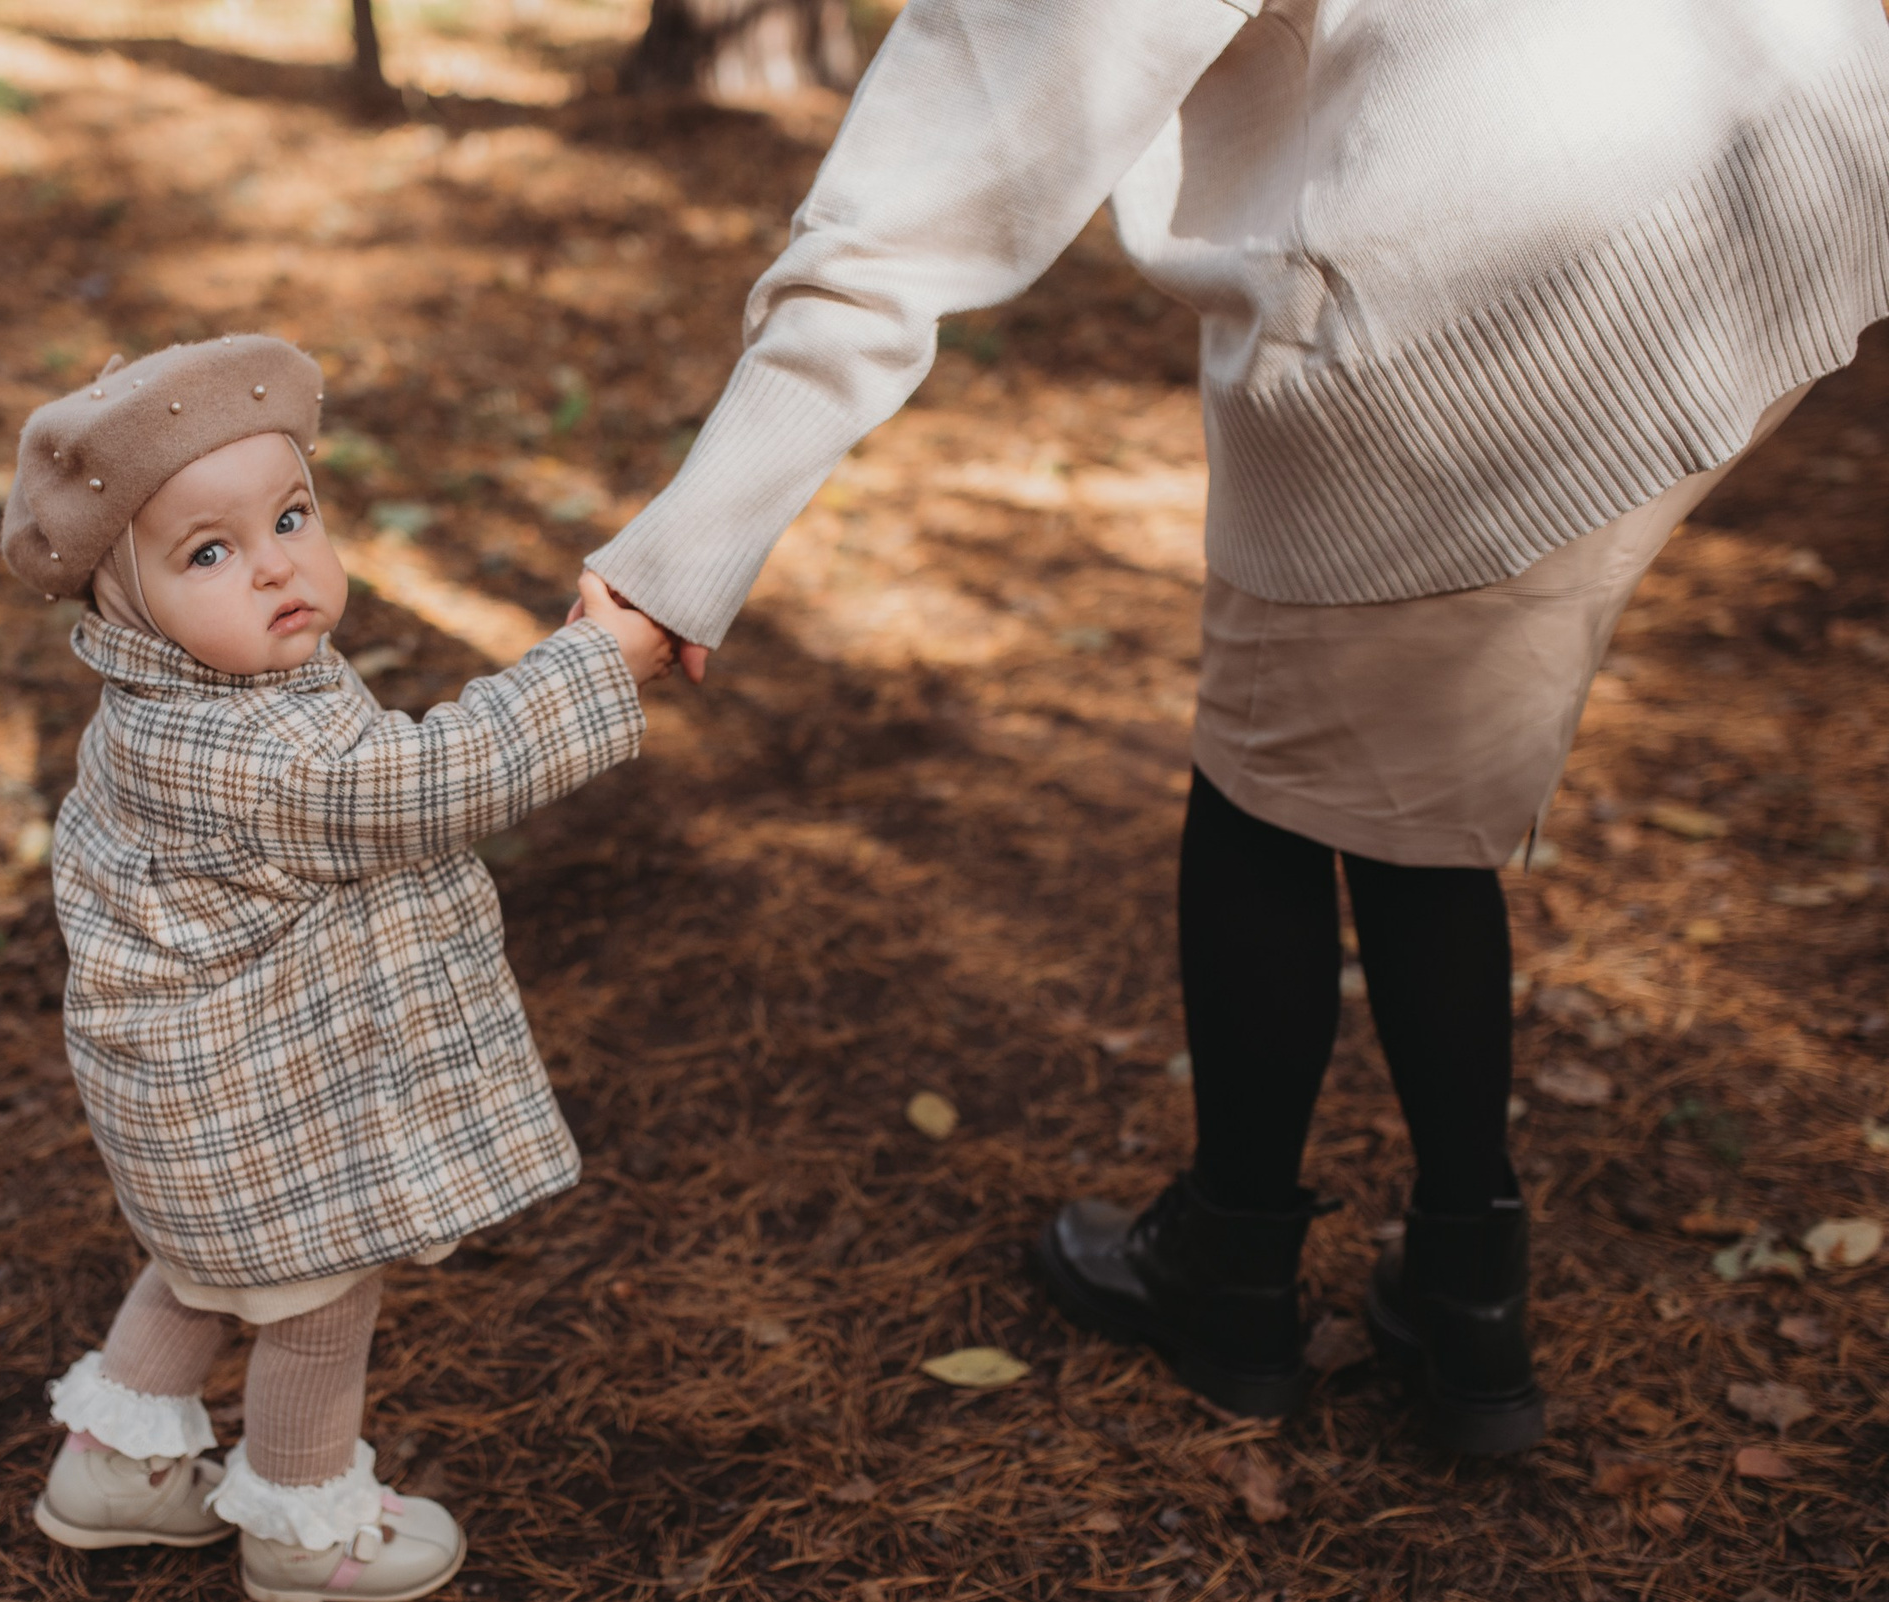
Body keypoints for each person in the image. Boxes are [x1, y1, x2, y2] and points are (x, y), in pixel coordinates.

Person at [584, 0, 1889, 1453]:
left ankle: (1244, 1265)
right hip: (1789, 169)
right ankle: (1466, 1291)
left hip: (1474, 304)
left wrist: (683, 550)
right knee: (1405, 768)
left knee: (1273, 776)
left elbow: (931, 191)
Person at [0, 335, 671, 1602]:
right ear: (120, 599)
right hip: (250, 1095)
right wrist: (591, 666)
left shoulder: (217, 674)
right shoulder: (225, 747)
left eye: (292, 516)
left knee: (209, 1264)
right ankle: (303, 1529)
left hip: (211, 1088)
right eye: (210, 551)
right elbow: (415, 788)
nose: (274, 564)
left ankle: (114, 1470)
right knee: (316, 1299)